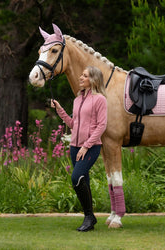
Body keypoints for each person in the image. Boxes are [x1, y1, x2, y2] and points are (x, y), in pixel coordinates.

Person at [51, 66, 107, 232]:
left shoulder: (100, 99)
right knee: (83, 181)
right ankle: (89, 218)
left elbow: (101, 126)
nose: (80, 78)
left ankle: (89, 217)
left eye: (85, 75)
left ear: (93, 80)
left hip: (90, 147)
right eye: (81, 75)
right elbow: (73, 124)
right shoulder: (77, 100)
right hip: (74, 147)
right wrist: (60, 109)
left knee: (76, 178)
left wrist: (86, 146)